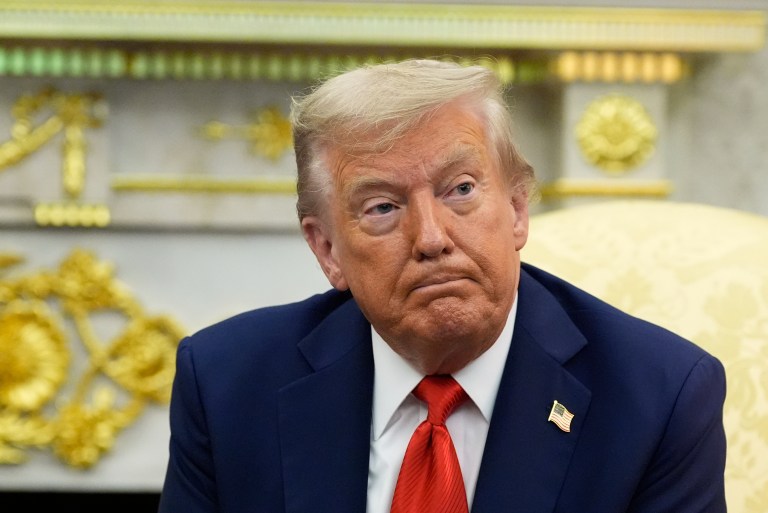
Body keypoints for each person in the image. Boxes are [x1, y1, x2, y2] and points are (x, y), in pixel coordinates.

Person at [157, 59, 726, 513]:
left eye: (460, 190)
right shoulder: (227, 384)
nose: (431, 238)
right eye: (382, 206)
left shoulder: (658, 397)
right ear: (327, 250)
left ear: (518, 208)